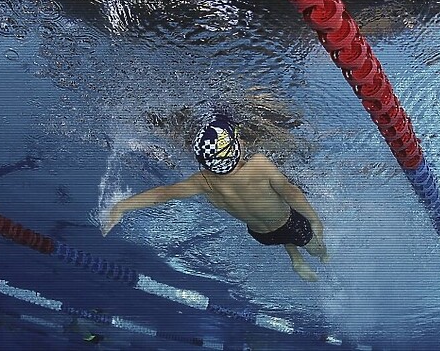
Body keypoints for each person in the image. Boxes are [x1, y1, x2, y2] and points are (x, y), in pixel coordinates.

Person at [101, 116, 329, 281]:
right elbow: (291, 192)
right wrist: (315, 220)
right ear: (236, 146)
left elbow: (163, 193)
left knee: (278, 232)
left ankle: (295, 258)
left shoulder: (203, 181)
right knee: (313, 245)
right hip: (290, 224)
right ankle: (318, 256)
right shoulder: (259, 165)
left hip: (259, 234)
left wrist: (121, 206)